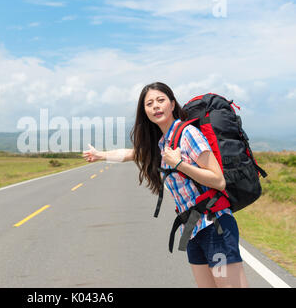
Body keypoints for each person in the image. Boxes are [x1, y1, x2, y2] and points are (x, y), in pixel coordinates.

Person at [82, 82, 249, 288]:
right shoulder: (163, 143)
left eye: (160, 100)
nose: (155, 106)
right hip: (191, 229)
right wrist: (100, 155)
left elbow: (218, 181)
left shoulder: (188, 134)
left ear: (172, 104)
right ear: (145, 112)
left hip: (214, 226)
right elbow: (130, 154)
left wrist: (179, 164)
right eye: (149, 103)